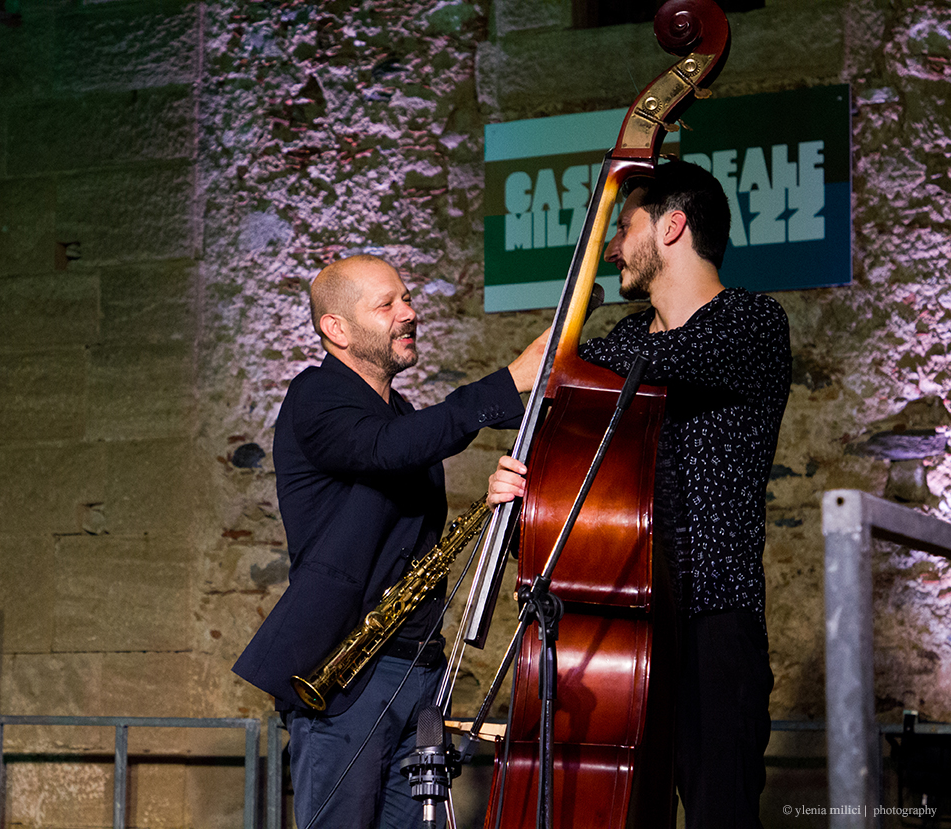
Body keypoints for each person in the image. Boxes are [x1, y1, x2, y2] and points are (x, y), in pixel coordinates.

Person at [487, 159, 791, 829]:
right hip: (621, 623)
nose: (615, 249)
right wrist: (523, 502)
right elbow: (572, 465)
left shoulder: (750, 323)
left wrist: (567, 356)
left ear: (674, 225)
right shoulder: (621, 341)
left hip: (715, 618)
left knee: (722, 814)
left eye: (624, 228)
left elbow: (675, 358)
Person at [233, 253, 547, 829]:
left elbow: (407, 494)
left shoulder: (400, 414)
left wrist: (492, 503)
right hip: (347, 679)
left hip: (417, 670)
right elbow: (386, 448)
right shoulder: (316, 396)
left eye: (407, 298)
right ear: (337, 329)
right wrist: (505, 384)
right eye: (388, 304)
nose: (409, 313)